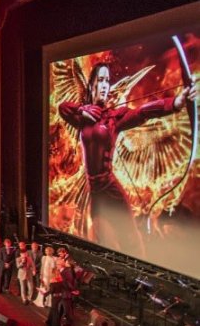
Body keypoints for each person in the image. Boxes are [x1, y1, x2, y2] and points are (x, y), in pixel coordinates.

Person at [58, 62, 196, 254]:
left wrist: (174, 103)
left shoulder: (113, 118)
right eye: (101, 80)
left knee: (131, 241)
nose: (105, 85)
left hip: (110, 189)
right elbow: (63, 108)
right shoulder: (82, 117)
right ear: (92, 85)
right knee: (103, 240)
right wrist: (82, 110)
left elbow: (142, 113)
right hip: (95, 192)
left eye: (108, 80)